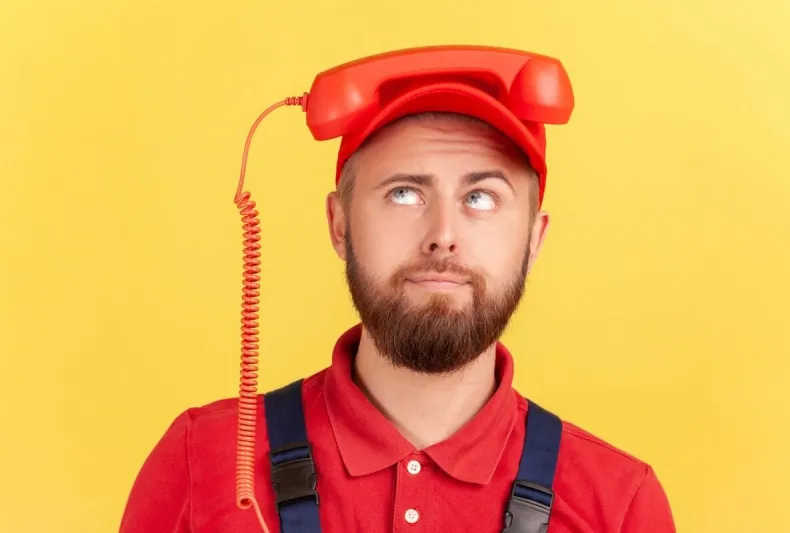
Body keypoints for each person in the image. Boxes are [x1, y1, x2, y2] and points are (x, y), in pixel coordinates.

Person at [120, 88, 676, 532]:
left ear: (534, 239)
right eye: (404, 193)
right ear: (339, 225)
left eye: (480, 197)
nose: (443, 236)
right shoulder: (203, 460)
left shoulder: (618, 505)